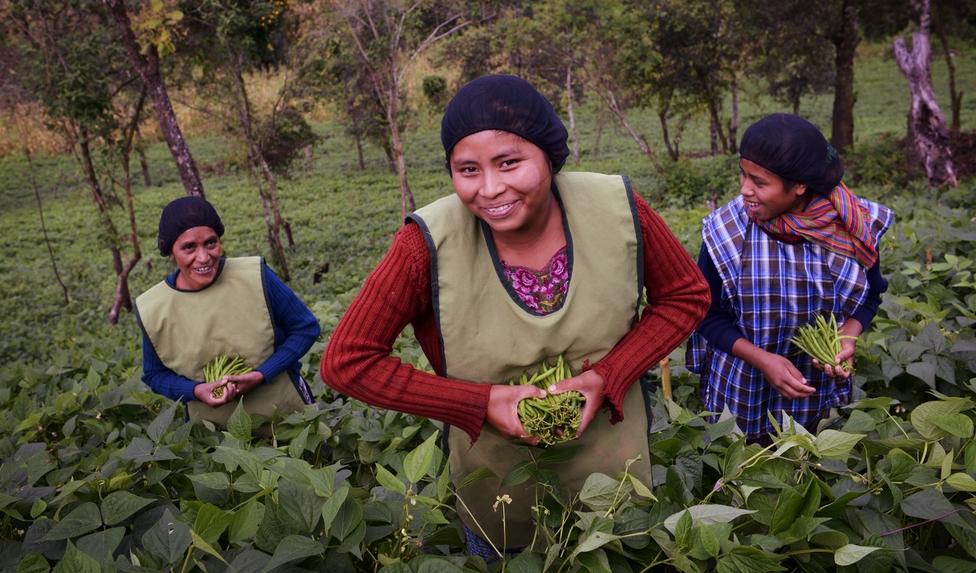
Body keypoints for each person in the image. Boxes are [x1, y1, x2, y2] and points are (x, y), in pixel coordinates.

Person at [320, 74, 710, 556]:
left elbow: (686, 296)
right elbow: (347, 361)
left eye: (509, 162)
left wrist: (607, 377)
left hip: (615, 468)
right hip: (498, 486)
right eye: (468, 169)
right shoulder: (425, 244)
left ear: (548, 154)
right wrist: (480, 403)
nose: (490, 188)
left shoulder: (618, 208)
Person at [687, 113, 893, 445]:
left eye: (759, 182)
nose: (744, 190)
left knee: (803, 462)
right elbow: (706, 314)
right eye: (743, 175)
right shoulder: (728, 232)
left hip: (812, 388)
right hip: (741, 388)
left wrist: (848, 335)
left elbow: (872, 295)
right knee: (743, 468)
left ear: (799, 185)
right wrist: (762, 359)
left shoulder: (849, 227)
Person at [135, 197, 319, 436]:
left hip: (288, 419)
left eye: (211, 243)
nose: (203, 257)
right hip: (214, 436)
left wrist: (261, 374)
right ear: (170, 250)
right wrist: (196, 390)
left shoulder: (254, 276)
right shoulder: (154, 307)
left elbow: (305, 328)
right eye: (189, 247)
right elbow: (154, 374)